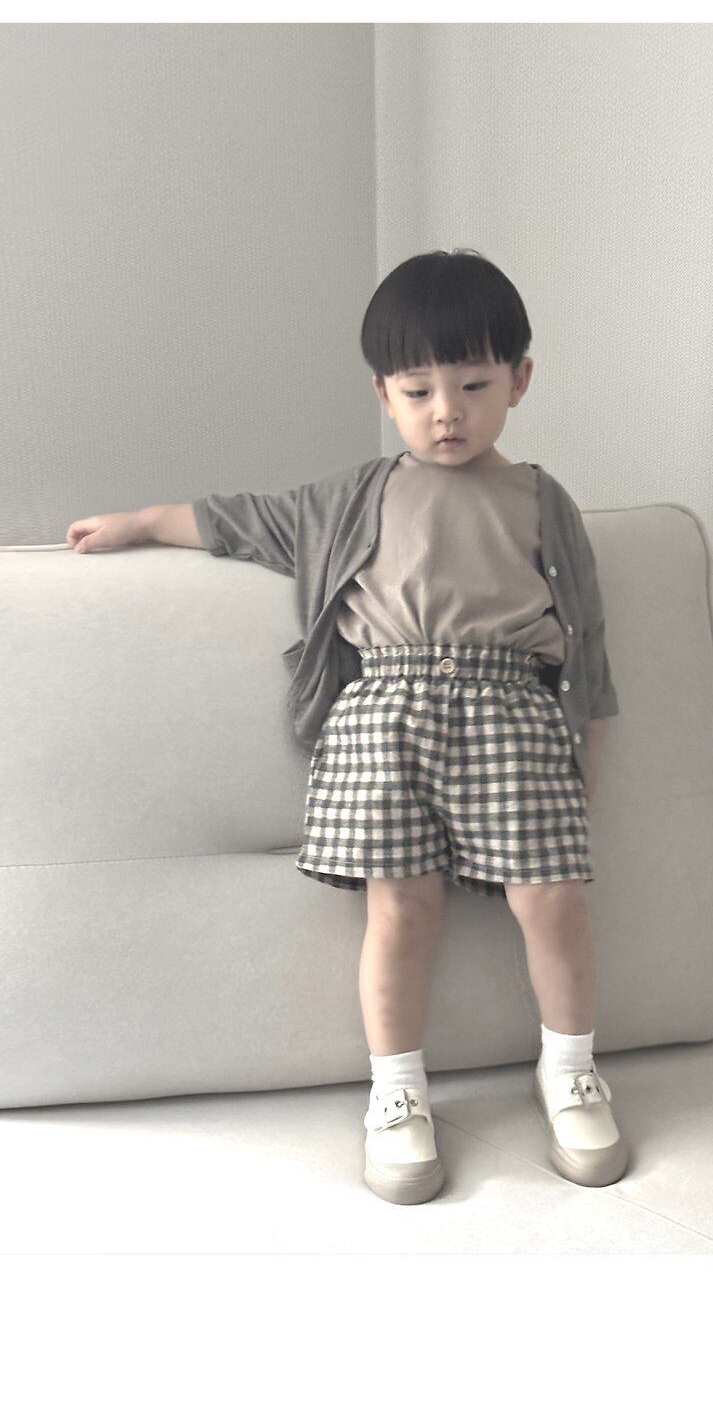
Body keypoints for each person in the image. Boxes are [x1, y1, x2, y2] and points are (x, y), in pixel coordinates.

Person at [65, 250, 625, 1205]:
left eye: (473, 385)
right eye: (418, 390)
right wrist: (145, 520)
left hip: (514, 715)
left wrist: (588, 748)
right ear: (383, 393)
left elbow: (588, 633)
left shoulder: (541, 498)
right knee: (398, 909)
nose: (446, 411)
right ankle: (397, 1093)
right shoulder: (349, 499)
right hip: (383, 720)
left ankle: (570, 1071)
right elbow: (243, 520)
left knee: (553, 900)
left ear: (520, 380)